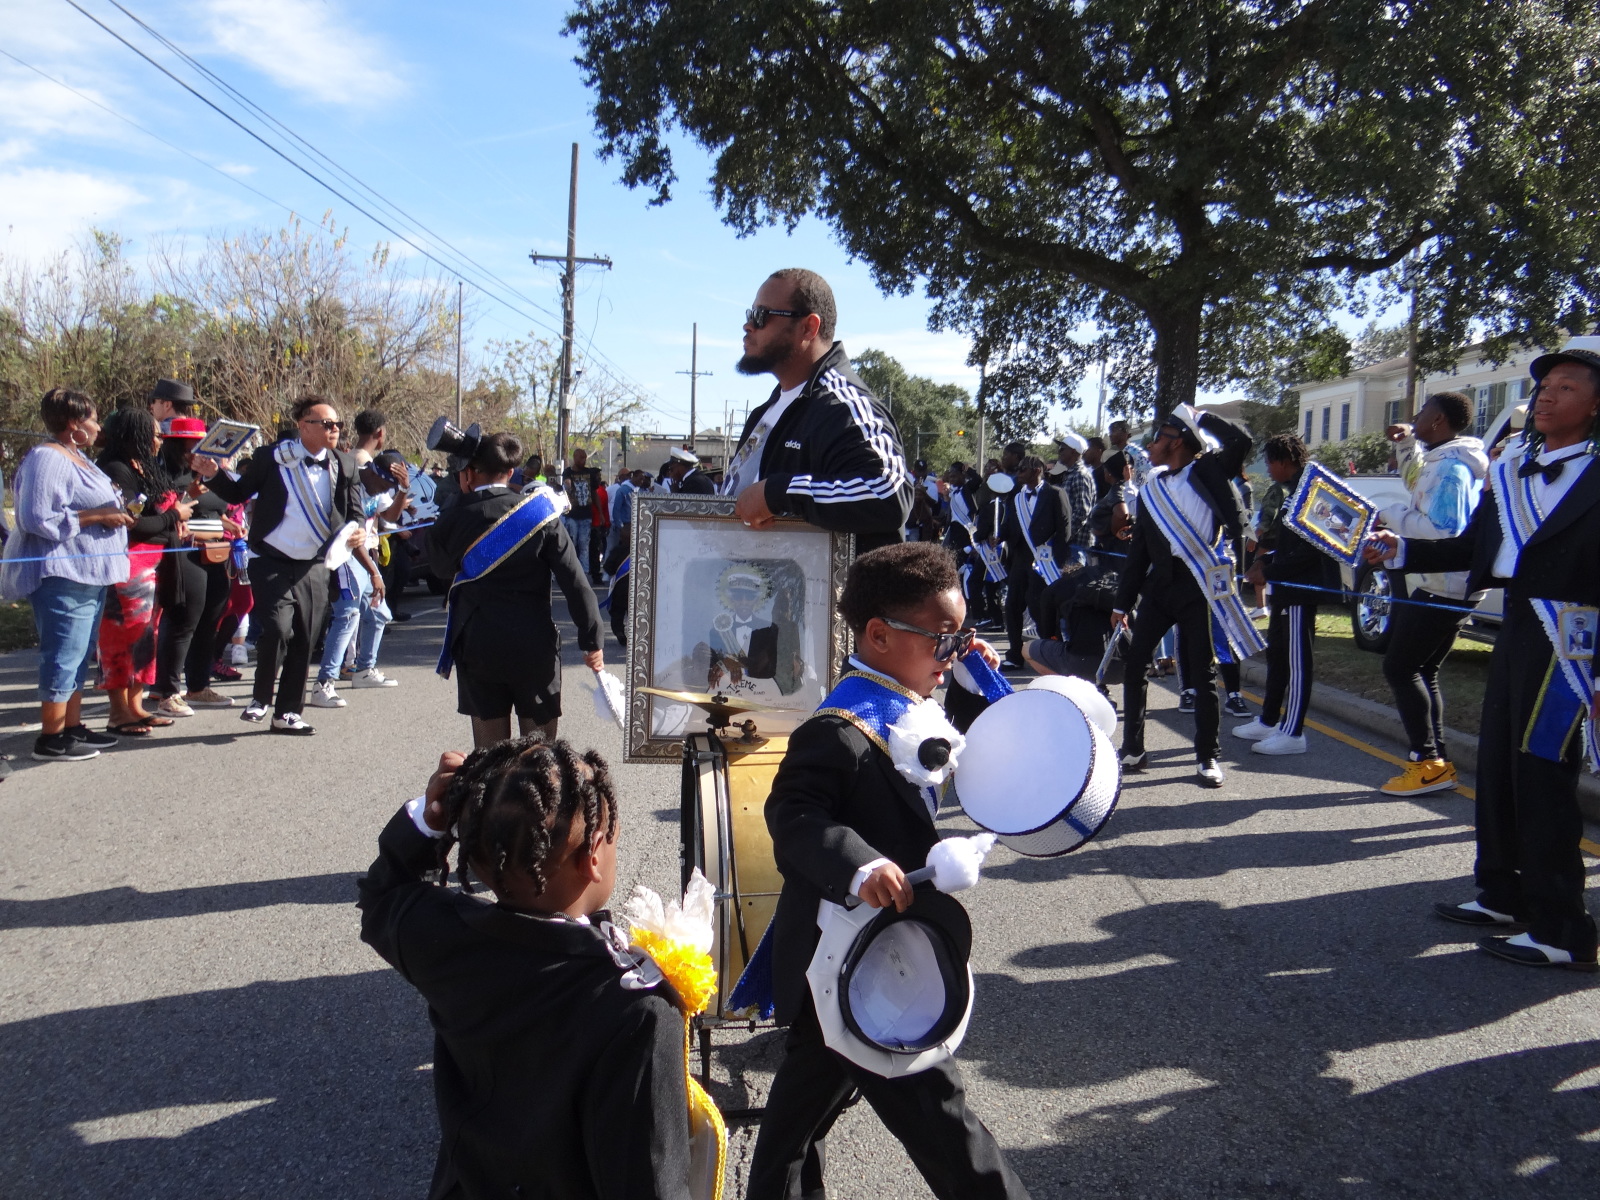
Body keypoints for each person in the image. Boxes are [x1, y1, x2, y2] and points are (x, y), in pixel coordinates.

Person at [748, 542, 1029, 1200]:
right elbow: (792, 814)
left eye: (961, 636)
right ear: (879, 635)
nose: (952, 652)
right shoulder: (839, 727)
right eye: (942, 638)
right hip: (852, 957)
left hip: (869, 952)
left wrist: (976, 685)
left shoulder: (908, 695)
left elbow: (958, 756)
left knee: (795, 1130)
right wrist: (860, 863)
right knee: (940, 1118)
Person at [357, 740, 695, 1199]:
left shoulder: (443, 937)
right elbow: (650, 1180)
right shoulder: (638, 1011)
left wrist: (428, 821)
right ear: (594, 853)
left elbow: (381, 897)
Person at [1366, 340, 1600, 972]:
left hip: (1576, 640)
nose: (1548, 394)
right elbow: (1474, 549)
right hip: (1522, 625)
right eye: (1545, 385)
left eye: (1568, 386)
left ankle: (1563, 929)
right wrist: (1402, 553)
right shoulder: (1511, 467)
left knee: (1544, 775)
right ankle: (1503, 893)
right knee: (1496, 766)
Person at [193, 394, 366, 735]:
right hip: (270, 558)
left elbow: (354, 510)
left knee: (305, 637)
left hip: (315, 563)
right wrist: (214, 474)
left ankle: (287, 712)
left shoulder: (344, 464)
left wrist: (357, 530)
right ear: (303, 426)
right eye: (326, 424)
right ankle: (260, 699)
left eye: (337, 425)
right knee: (275, 628)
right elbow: (238, 493)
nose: (334, 430)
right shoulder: (271, 457)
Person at [1112, 403, 1258, 787]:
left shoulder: (1207, 469)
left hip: (1198, 585)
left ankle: (1207, 756)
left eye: (1160, 436)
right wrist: (1120, 604)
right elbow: (1139, 550)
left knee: (1201, 673)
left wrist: (1202, 416)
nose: (1153, 444)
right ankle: (1134, 749)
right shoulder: (1153, 489)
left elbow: (1241, 441)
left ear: (1179, 441)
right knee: (1135, 664)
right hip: (1161, 586)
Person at [429, 432, 604, 748]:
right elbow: (575, 581)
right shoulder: (539, 515)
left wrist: (460, 500)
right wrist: (591, 639)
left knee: (489, 757)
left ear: (469, 472)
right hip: (533, 647)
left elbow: (440, 570)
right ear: (510, 471)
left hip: (478, 647)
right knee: (539, 758)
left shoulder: (454, 516)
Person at [722, 268, 911, 553]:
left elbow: (889, 492)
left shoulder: (845, 407)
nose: (748, 326)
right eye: (750, 315)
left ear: (809, 327)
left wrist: (779, 492)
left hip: (837, 598)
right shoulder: (764, 414)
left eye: (761, 316)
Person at [1375, 390, 1488, 795]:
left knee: (1399, 668)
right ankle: (1437, 761)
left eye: (1422, 412)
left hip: (1446, 586)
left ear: (1438, 421)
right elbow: (1414, 480)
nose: (1415, 416)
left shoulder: (1453, 470)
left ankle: (1428, 764)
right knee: (1422, 670)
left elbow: (1447, 530)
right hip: (1444, 585)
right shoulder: (1441, 460)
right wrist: (1405, 443)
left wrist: (1390, 516)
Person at [11, 388, 132, 761]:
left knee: (79, 655)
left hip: (89, 573)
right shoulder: (47, 458)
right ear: (74, 425)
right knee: (62, 654)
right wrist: (98, 516)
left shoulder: (77, 458)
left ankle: (72, 726)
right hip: (64, 574)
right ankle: (50, 737)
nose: (98, 428)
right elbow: (36, 517)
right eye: (93, 420)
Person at [1234, 433, 1338, 754]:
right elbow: (1287, 543)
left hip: (1300, 590)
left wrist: (1268, 569)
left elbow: (1310, 550)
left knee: (1297, 662)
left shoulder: (1312, 490)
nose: (1267, 469)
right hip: (1285, 586)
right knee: (1277, 653)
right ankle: (1268, 720)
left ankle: (1293, 733)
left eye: (1268, 463)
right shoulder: (1294, 490)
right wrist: (1265, 560)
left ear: (1282, 461)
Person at [98, 407, 192, 735]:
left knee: (146, 638)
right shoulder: (115, 469)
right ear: (133, 434)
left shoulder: (148, 467)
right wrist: (171, 518)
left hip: (157, 564)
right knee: (122, 638)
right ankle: (117, 712)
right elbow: (133, 525)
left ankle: (137, 707)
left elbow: (156, 516)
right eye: (153, 433)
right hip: (129, 568)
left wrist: (175, 514)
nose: (159, 438)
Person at [151, 417, 238, 715]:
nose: (199, 450)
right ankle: (166, 691)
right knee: (182, 620)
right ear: (176, 444)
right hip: (184, 551)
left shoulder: (208, 472)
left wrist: (228, 523)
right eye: (192, 445)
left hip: (216, 550)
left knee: (209, 620)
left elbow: (215, 508)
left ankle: (198, 687)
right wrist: (188, 493)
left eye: (202, 444)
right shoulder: (162, 474)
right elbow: (166, 511)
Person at [309, 458, 407, 708]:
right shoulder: (351, 486)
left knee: (378, 613)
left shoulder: (380, 487)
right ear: (372, 472)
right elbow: (351, 538)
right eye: (386, 482)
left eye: (391, 486)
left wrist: (403, 489)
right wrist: (374, 572)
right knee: (348, 616)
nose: (386, 490)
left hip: (363, 560)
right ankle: (324, 684)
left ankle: (364, 671)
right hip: (344, 557)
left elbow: (390, 518)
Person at [998, 457, 1069, 670]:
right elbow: (1010, 525)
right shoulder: (1016, 497)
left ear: (1036, 470)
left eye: (1022, 469)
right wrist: (999, 536)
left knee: (1042, 609)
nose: (1018, 473)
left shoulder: (1055, 494)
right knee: (1012, 606)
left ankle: (1049, 655)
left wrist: (1060, 563)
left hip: (1045, 561)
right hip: (1021, 558)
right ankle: (1015, 654)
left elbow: (1064, 530)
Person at [1052, 432, 1097, 565]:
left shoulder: (1080, 475)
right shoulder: (1072, 473)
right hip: (1071, 545)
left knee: (1072, 584)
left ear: (1073, 452)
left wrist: (1065, 535)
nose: (1059, 452)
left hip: (1076, 546)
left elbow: (1082, 511)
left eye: (1062, 449)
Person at [562, 447, 601, 573]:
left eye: (585, 458)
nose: (584, 460)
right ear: (575, 457)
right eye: (581, 457)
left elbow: (594, 493)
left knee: (584, 543)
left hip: (586, 514)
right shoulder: (568, 472)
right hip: (572, 514)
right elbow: (566, 483)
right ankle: (571, 569)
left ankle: (583, 570)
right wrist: (567, 485)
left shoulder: (589, 473)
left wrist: (600, 513)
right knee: (572, 542)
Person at [1108, 418, 1151, 486]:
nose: (1110, 435)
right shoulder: (1128, 451)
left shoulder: (1130, 453)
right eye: (1110, 432)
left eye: (1113, 431)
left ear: (1125, 433)